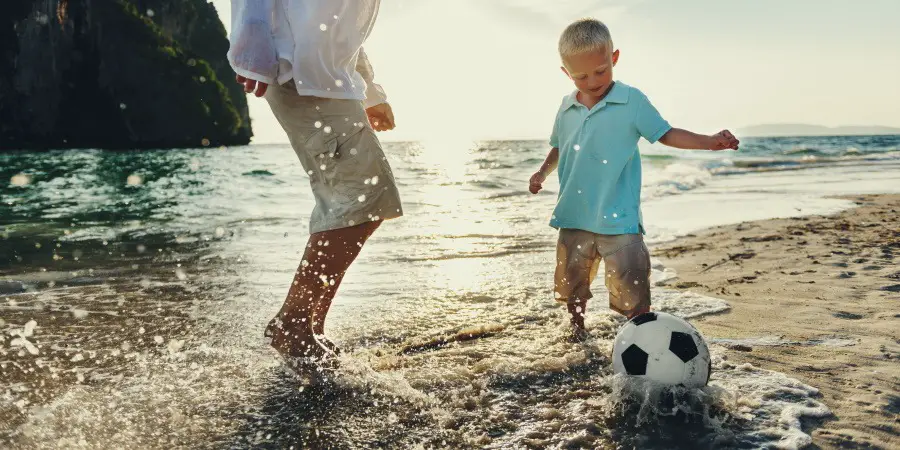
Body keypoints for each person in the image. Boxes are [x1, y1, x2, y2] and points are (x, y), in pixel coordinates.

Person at [529, 18, 739, 339]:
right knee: (574, 289)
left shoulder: (631, 101)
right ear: (566, 73)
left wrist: (709, 141)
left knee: (633, 290)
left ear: (614, 58)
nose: (592, 81)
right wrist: (542, 173)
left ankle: (639, 339)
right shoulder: (566, 106)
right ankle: (576, 334)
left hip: (620, 219)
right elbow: (558, 146)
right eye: (581, 76)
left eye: (600, 70)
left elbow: (666, 134)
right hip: (573, 216)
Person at [227, 0, 403, 365]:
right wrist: (253, 48)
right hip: (301, 74)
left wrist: (368, 90)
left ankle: (309, 324)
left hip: (323, 76)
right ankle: (292, 324)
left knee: (342, 202)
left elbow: (339, 20)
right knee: (367, 196)